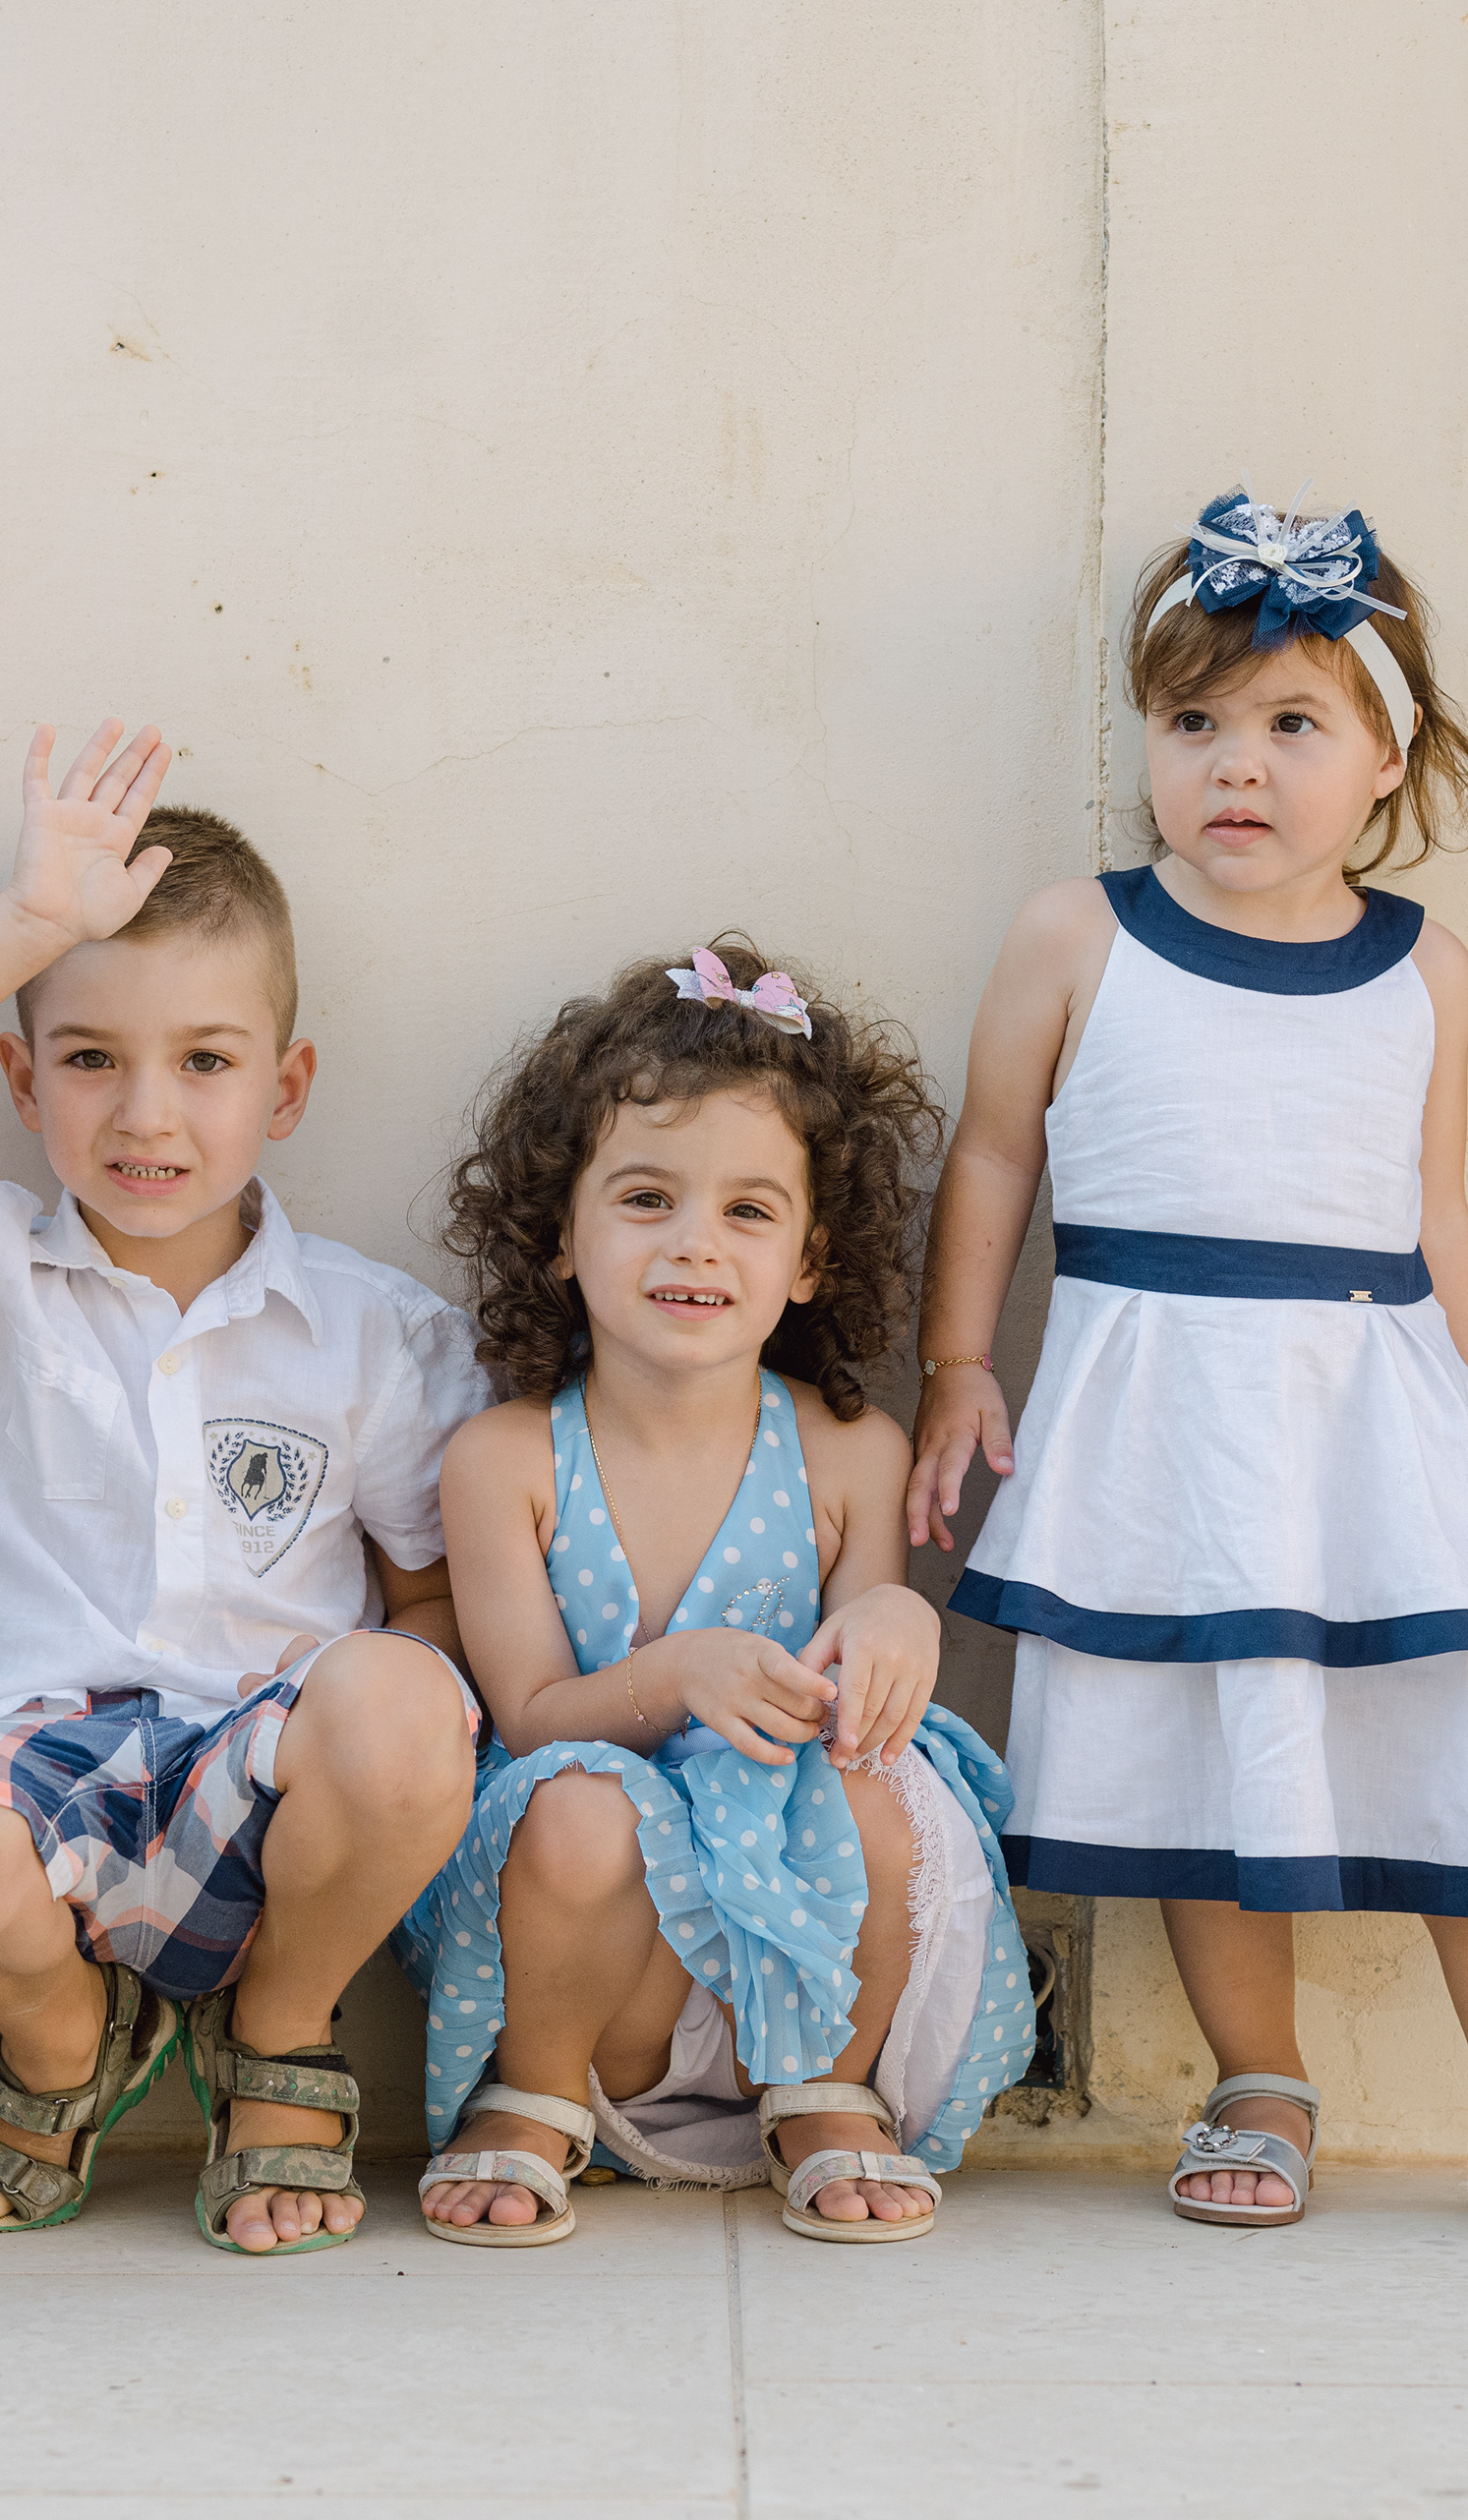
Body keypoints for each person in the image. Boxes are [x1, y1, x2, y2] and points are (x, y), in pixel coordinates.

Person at [908, 493, 1468, 2254]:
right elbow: (994, 1153)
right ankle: (1258, 2078)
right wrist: (957, 1360)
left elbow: (1439, 1222)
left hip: (1378, 1416)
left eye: (1291, 725)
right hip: (1167, 1427)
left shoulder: (1424, 969)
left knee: (1467, 1728)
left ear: (1388, 761)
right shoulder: (1078, 937)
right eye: (1193, 722)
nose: (1234, 765)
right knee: (1215, 1742)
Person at [0, 726, 486, 2255]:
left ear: (286, 1086)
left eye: (206, 1062)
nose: (147, 1114)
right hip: (18, 1767)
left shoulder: (372, 1333)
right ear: (23, 1078)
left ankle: (278, 2031)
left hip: (257, 1767)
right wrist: (28, 925)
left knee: (412, 1701)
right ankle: (63, 2045)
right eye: (92, 1058)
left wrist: (371, 1721)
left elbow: (429, 1600)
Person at [400, 947, 1033, 2249]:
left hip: (798, 1936)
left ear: (808, 1259)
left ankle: (828, 2090)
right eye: (646, 1197)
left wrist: (897, 1622)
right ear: (561, 1234)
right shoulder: (507, 1459)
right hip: (600, 1964)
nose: (695, 1241)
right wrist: (682, 1674)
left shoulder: (849, 1452)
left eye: (749, 1210)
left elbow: (861, 1676)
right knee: (578, 1805)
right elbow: (529, 1717)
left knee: (879, 1779)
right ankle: (534, 2096)